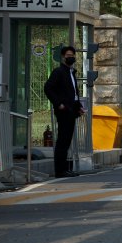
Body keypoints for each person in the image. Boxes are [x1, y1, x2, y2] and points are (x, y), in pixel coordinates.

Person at [44, 46, 85, 178]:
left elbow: (73, 93)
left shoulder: (71, 73)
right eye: (68, 55)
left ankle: (66, 169)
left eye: (72, 54)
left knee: (67, 141)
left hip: (72, 110)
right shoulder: (58, 72)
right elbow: (48, 88)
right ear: (63, 57)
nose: (70, 57)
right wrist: (59, 104)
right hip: (64, 111)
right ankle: (60, 170)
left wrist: (79, 106)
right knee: (62, 141)